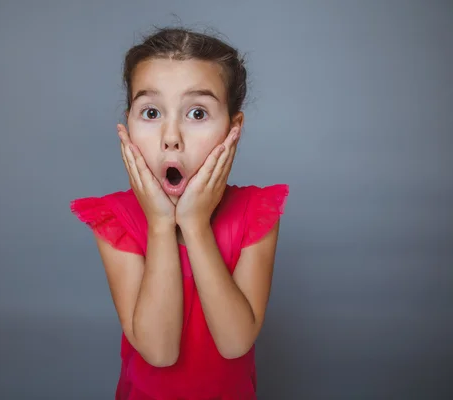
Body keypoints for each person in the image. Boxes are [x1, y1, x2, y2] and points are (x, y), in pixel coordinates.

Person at [70, 26, 289, 400]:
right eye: (151, 112)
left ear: (233, 130)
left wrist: (194, 222)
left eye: (197, 113)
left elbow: (235, 343)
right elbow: (159, 351)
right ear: (128, 126)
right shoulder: (116, 219)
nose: (171, 136)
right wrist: (159, 224)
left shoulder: (256, 214)